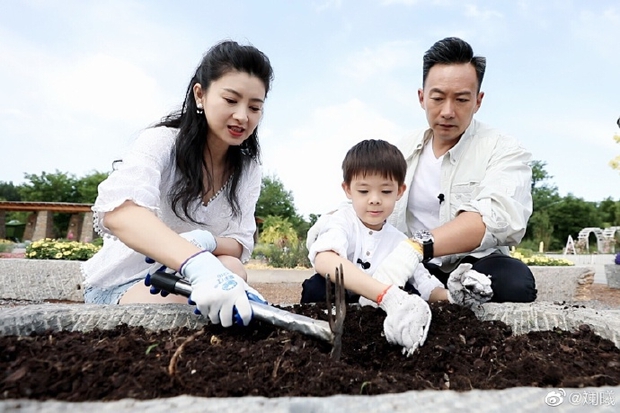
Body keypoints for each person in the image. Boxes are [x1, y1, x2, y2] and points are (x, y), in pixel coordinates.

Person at [307, 37, 537, 304]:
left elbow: (495, 217)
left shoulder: (504, 149)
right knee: (320, 288)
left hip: (474, 263)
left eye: (462, 99)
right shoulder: (401, 150)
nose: (448, 111)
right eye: (437, 98)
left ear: (478, 101)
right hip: (410, 267)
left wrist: (415, 247)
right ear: (421, 97)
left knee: (514, 284)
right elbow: (364, 200)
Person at [82, 40, 275, 328]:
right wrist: (195, 262)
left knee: (233, 270)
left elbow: (238, 243)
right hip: (127, 281)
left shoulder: (247, 168)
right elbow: (120, 211)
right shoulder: (161, 142)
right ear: (200, 94)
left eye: (255, 107)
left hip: (188, 278)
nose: (242, 116)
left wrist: (206, 241)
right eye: (231, 100)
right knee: (213, 309)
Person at [301, 139, 493, 356]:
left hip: (377, 314)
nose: (374, 200)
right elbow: (325, 259)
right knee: (317, 287)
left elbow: (425, 285)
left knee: (413, 295)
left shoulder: (400, 241)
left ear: (400, 191)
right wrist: (384, 294)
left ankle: (389, 341)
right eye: (363, 191)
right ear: (347, 189)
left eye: (385, 191)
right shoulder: (342, 220)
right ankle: (315, 341)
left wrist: (453, 297)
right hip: (345, 301)